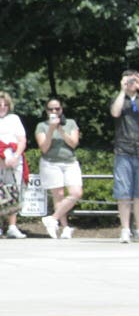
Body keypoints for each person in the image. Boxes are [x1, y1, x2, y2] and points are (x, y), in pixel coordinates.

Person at [109, 69, 139, 243]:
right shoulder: (119, 99)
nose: (131, 83)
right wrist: (123, 91)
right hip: (123, 150)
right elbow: (115, 112)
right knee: (123, 192)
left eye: (133, 79)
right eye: (127, 80)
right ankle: (125, 229)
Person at [36, 97, 83, 239]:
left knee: (76, 193)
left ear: (61, 110)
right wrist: (51, 129)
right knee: (59, 195)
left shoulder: (70, 123)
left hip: (70, 162)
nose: (54, 111)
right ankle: (65, 227)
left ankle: (52, 218)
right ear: (46, 111)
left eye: (57, 109)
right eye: (51, 109)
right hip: (50, 163)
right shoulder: (41, 126)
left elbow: (74, 143)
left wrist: (60, 130)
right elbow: (44, 148)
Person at [0, 91, 28, 239]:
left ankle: (12, 226)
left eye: (5, 104)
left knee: (13, 192)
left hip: (14, 159)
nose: (2, 107)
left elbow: (22, 140)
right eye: (0, 105)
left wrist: (16, 156)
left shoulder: (14, 119)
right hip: (0, 159)